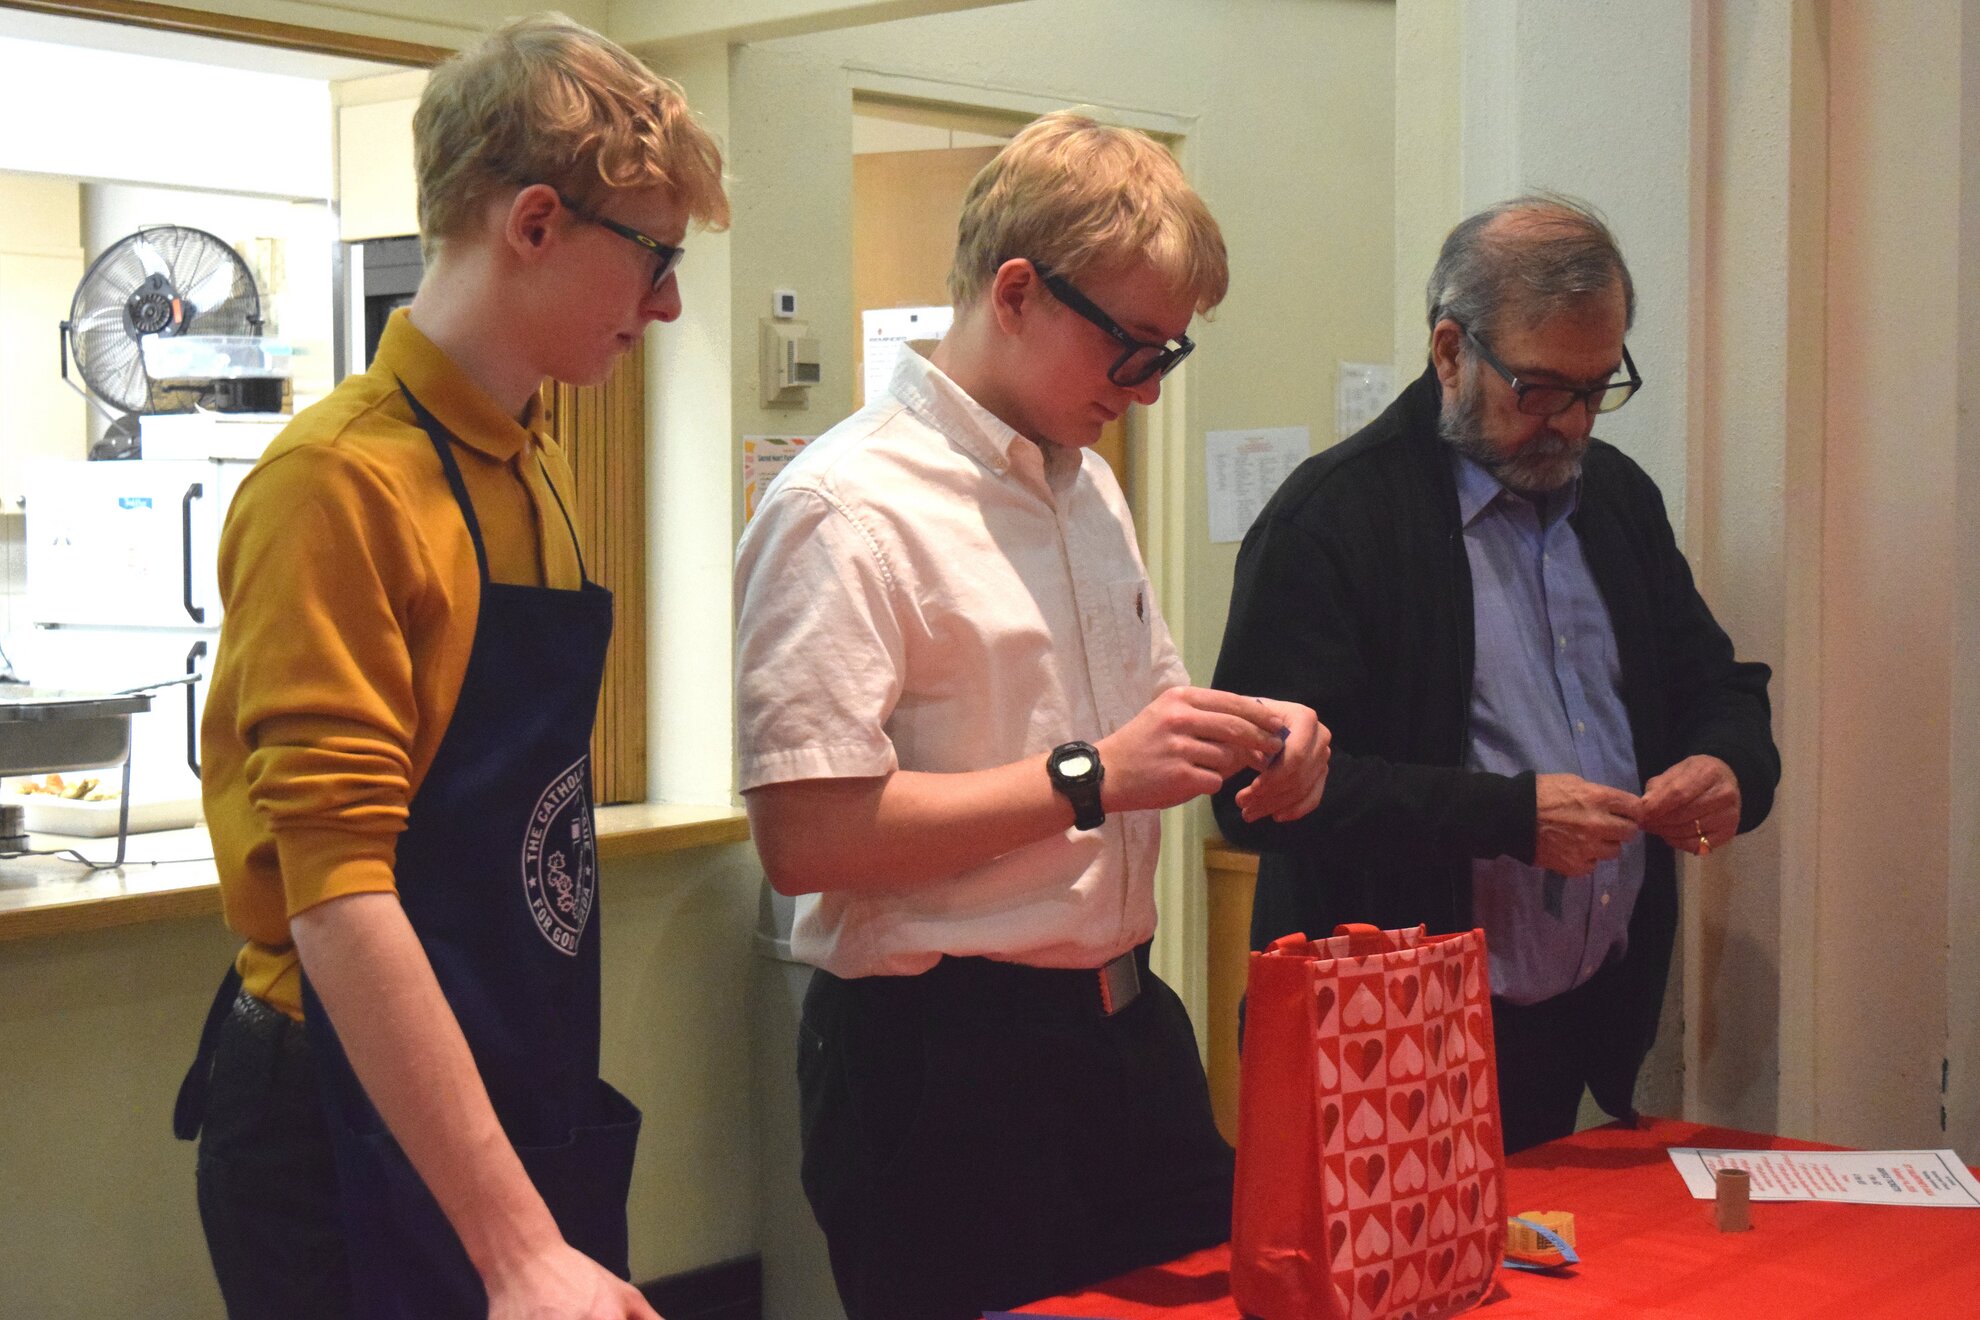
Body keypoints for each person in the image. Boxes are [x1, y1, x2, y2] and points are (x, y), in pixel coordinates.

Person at [172, 16, 728, 1318]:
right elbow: (339, 899)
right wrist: (517, 1248)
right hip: (335, 1114)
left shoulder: (539, 462)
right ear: (534, 223)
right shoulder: (336, 484)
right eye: (655, 257)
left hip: (511, 1077)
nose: (668, 305)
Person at [734, 110, 1331, 1320]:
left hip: (1124, 1033)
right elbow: (806, 839)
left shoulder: (1087, 483)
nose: (1146, 391)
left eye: (1168, 356)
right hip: (939, 1070)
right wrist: (1088, 778)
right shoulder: (841, 508)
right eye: (1131, 349)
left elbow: (1148, 720)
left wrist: (1264, 732)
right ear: (1017, 292)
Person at [1211, 196, 1780, 1156]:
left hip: (1576, 1028)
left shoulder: (1617, 500)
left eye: (1598, 388)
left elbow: (1719, 686)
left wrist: (1730, 770)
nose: (1573, 425)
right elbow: (1248, 798)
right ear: (1450, 352)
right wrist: (1511, 817)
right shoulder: (1334, 519)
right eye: (1542, 390)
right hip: (1383, 1050)